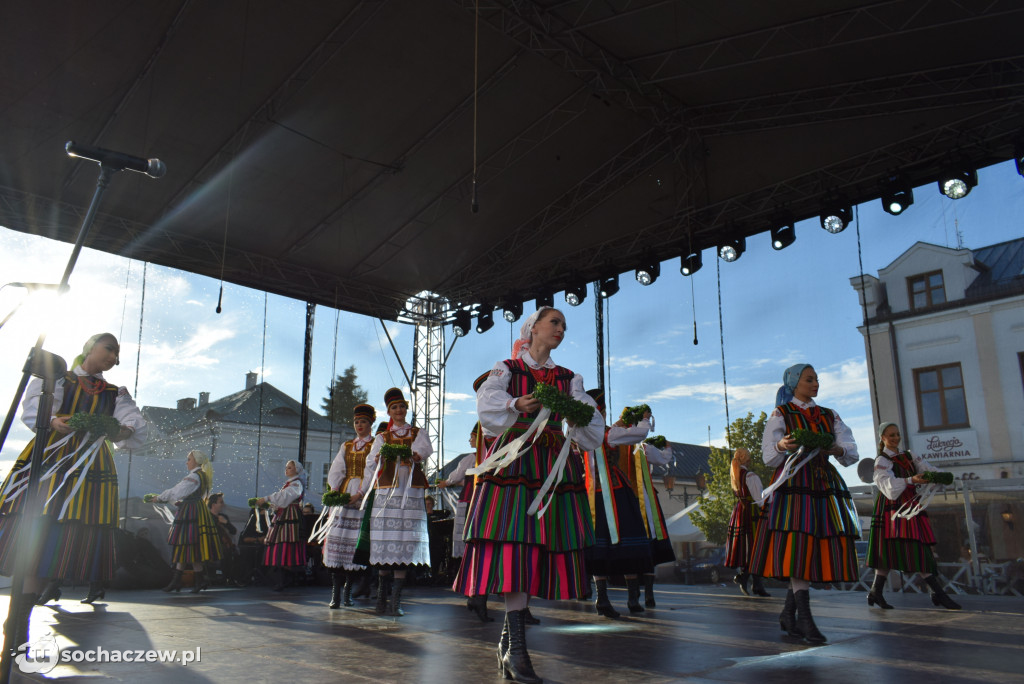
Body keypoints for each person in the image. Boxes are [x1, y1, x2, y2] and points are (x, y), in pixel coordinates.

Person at [455, 306, 603, 684]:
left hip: (552, 469)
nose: (561, 329)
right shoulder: (507, 368)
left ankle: (510, 646)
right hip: (516, 463)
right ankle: (517, 650)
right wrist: (514, 403)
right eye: (554, 322)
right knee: (515, 549)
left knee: (534, 553)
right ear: (533, 328)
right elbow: (487, 404)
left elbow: (591, 429)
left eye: (564, 326)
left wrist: (576, 416)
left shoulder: (569, 378)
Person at [0, 332, 147, 637]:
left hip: (88, 468)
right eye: (109, 349)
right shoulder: (59, 377)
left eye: (117, 355)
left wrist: (120, 430)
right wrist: (52, 421)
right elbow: (36, 409)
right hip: (51, 458)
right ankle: (17, 621)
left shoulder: (114, 392)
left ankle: (19, 621)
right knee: (37, 527)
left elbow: (131, 423)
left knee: (55, 540)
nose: (113, 358)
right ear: (90, 347)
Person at [748, 364, 860, 644]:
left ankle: (789, 613)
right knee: (799, 544)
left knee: (810, 546)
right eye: (809, 379)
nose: (815, 384)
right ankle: (805, 619)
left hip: (823, 483)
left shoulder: (829, 414)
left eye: (817, 380)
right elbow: (768, 457)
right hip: (794, 483)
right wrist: (782, 446)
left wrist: (837, 449)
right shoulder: (781, 414)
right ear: (794, 383)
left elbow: (850, 452)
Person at [351, 388, 431, 617]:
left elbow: (424, 449)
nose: (399, 410)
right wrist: (377, 460)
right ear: (389, 411)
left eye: (402, 406)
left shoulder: (417, 433)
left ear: (406, 409)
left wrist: (415, 455)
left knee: (403, 544)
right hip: (387, 493)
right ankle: (381, 600)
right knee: (386, 544)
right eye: (394, 408)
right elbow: (369, 465)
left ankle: (395, 601)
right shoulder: (382, 437)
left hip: (410, 491)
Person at [866, 422, 960, 610]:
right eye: (891, 435)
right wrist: (911, 479)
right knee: (900, 550)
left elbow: (927, 468)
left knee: (906, 548)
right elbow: (888, 487)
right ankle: (937, 593)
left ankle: (876, 591)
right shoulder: (881, 461)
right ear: (882, 438)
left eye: (897, 434)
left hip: (909, 506)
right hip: (892, 508)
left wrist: (942, 477)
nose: (895, 438)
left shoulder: (909, 456)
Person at [583, 389, 654, 618]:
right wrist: (644, 418)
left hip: (590, 494)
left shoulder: (579, 433)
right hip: (615, 492)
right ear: (601, 412)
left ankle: (602, 598)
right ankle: (631, 599)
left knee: (599, 547)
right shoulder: (608, 434)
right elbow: (640, 434)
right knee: (627, 544)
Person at [323, 403, 376, 608]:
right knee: (338, 542)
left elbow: (372, 471)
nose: (359, 425)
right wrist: (335, 490)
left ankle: (348, 593)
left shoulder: (374, 446)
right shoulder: (346, 446)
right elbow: (337, 468)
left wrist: (361, 493)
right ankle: (336, 594)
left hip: (362, 495)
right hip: (345, 493)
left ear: (370, 423)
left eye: (363, 421)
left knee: (354, 545)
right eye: (356, 422)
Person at [151, 450, 223, 593]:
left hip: (191, 511)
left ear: (196, 461)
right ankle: (194, 580)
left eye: (189, 459)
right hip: (194, 509)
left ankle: (183, 581)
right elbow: (179, 493)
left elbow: (177, 492)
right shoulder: (201, 476)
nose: (187, 462)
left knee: (186, 544)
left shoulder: (195, 476)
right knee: (189, 546)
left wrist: (159, 498)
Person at [725, 449, 770, 598]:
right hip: (751, 513)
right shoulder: (750, 476)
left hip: (739, 512)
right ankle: (748, 579)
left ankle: (754, 583)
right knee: (756, 546)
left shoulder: (735, 476)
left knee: (748, 547)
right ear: (747, 459)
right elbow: (759, 500)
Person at [256, 459, 307, 590]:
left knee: (286, 544)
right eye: (286, 467)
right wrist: (271, 504)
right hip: (284, 514)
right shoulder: (290, 484)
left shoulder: (296, 484)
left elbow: (285, 497)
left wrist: (267, 498)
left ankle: (287, 579)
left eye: (290, 467)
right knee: (280, 546)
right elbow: (282, 499)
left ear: (296, 470)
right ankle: (282, 579)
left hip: (290, 516)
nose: (287, 469)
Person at [637, 437, 676, 607]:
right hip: (644, 497)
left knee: (637, 543)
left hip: (627, 496)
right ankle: (648, 594)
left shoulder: (617, 443)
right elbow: (664, 458)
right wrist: (667, 445)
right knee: (650, 542)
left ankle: (637, 594)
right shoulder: (644, 447)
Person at [208, 492, 240, 586]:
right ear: (213, 504)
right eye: (221, 502)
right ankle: (224, 577)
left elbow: (233, 531)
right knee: (224, 550)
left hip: (223, 545)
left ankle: (230, 578)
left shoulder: (223, 517)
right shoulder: (207, 517)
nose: (223, 504)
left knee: (231, 550)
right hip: (211, 544)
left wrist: (226, 522)